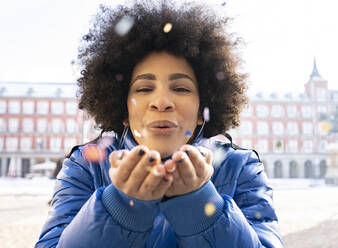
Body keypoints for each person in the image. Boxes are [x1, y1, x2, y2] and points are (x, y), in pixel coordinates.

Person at [35, 1, 284, 247]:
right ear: (123, 110)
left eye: (181, 88)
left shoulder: (241, 168)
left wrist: (200, 206)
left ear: (203, 109)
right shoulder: (87, 166)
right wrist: (118, 208)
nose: (162, 102)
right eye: (144, 88)